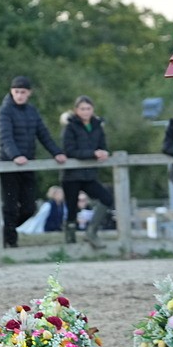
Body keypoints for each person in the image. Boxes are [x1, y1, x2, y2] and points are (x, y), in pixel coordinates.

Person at [0, 76, 66, 248]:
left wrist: (56, 152)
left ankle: (7, 231)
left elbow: (43, 134)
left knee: (29, 207)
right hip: (9, 164)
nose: (19, 95)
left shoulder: (32, 111)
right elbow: (6, 138)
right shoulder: (4, 111)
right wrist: (15, 156)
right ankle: (10, 242)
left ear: (29, 93)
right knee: (10, 206)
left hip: (28, 164)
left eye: (23, 92)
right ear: (12, 92)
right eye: (16, 92)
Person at [60, 95, 114, 250]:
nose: (85, 111)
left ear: (93, 110)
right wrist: (93, 153)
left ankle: (91, 231)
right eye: (82, 109)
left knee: (106, 199)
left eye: (88, 108)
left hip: (89, 174)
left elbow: (102, 145)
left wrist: (103, 152)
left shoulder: (97, 125)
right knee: (71, 209)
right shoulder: (70, 127)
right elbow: (69, 150)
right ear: (76, 110)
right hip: (71, 175)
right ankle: (70, 244)